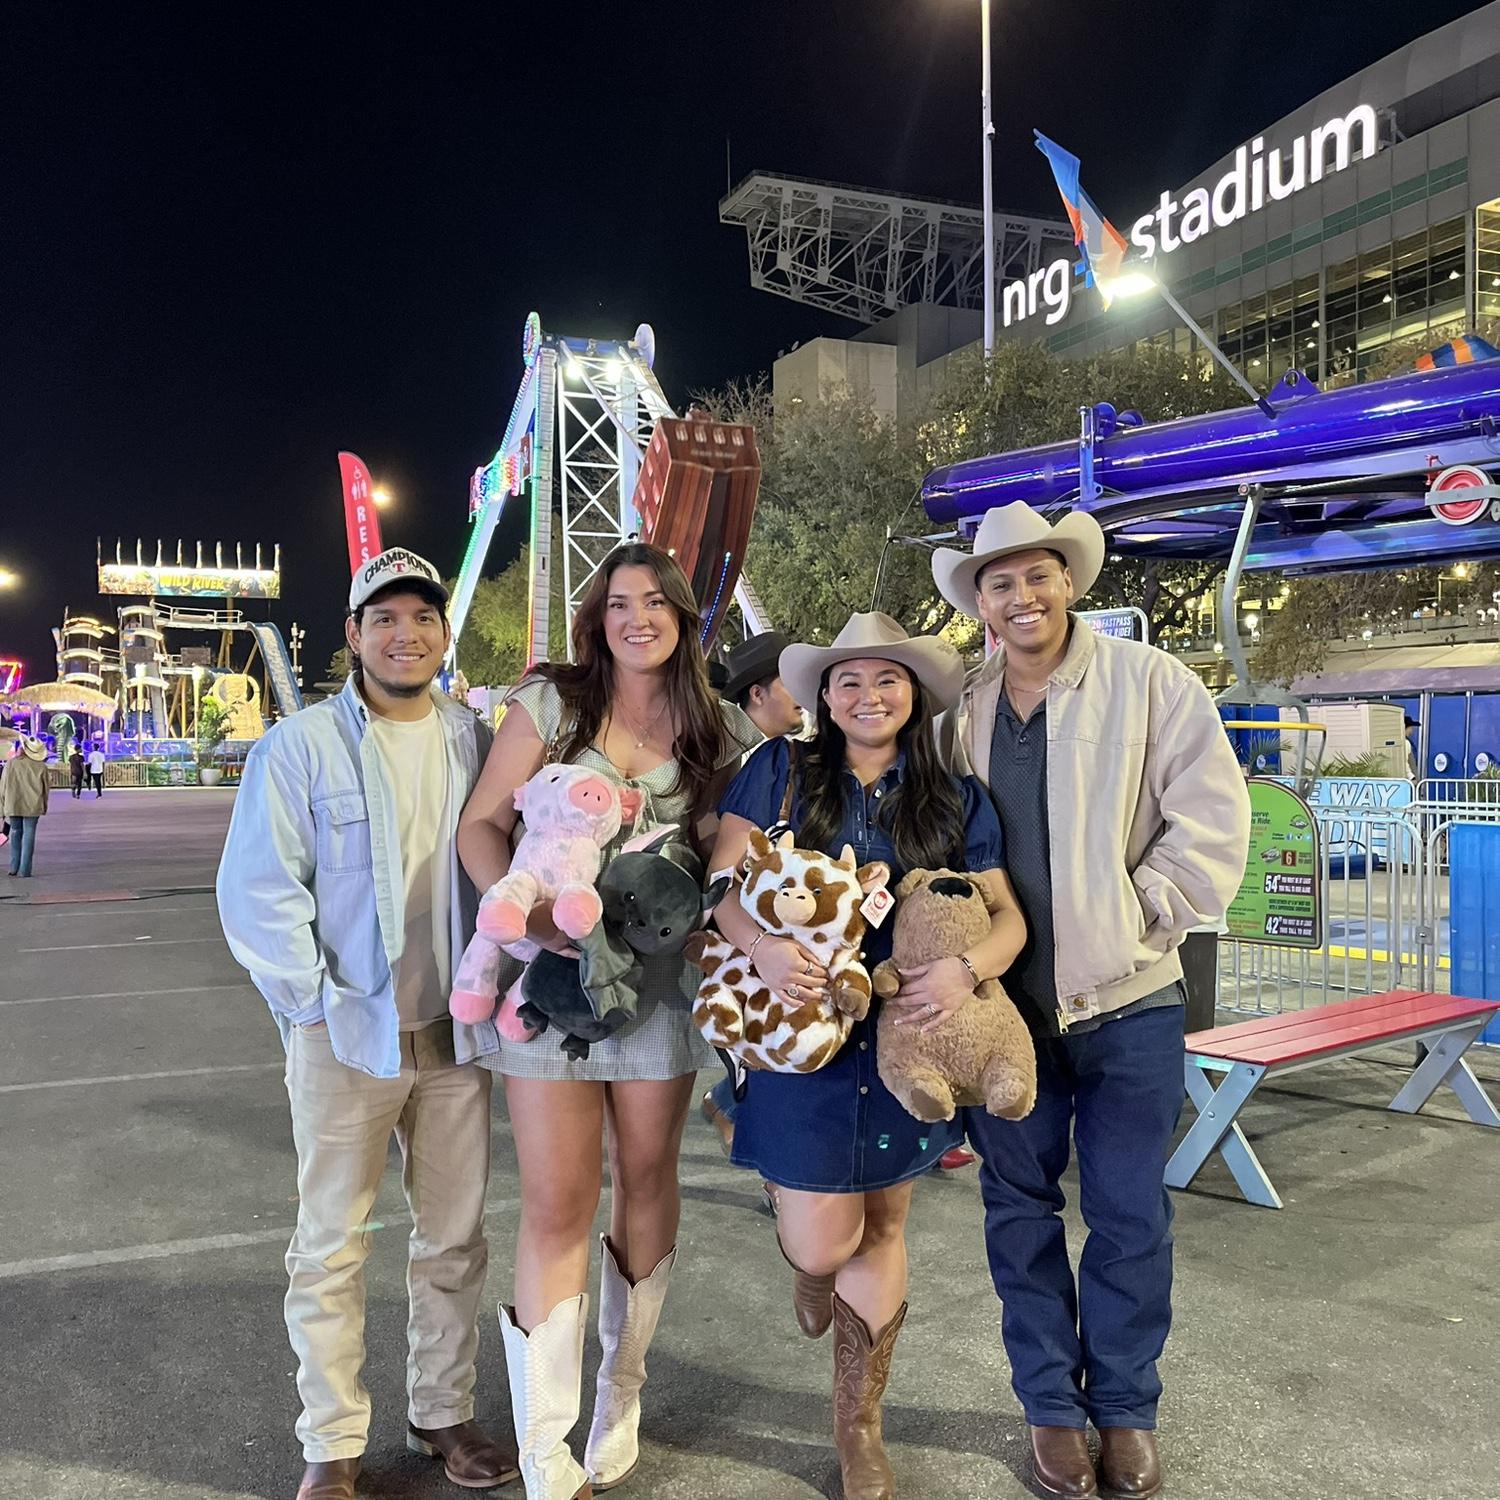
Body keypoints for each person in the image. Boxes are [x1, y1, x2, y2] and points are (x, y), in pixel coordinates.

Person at [932, 504, 1250, 1500]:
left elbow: (1211, 814)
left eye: (1038, 576)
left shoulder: (1152, 683)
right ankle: (1050, 1409)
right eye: (999, 582)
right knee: (1017, 1212)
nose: (1021, 596)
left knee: (1128, 1215)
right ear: (977, 601)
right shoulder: (958, 716)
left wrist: (1144, 913)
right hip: (1002, 1019)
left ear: (1069, 581)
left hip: (1132, 1002)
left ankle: (1125, 1407)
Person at [457, 541, 760, 1500]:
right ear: (598, 619)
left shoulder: (714, 726)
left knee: (647, 1178)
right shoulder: (551, 703)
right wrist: (533, 917)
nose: (638, 617)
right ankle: (545, 1446)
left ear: (681, 616)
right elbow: (481, 825)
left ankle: (620, 1390)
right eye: (619, 602)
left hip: (658, 995)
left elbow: (726, 855)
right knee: (555, 1200)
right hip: (551, 988)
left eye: (656, 602)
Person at [706, 612, 1026, 1500]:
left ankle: (859, 1426)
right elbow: (723, 884)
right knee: (824, 1242)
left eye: (886, 680)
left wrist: (967, 971)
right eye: (848, 681)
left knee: (883, 1226)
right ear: (824, 697)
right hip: (797, 1030)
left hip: (906, 1044)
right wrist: (759, 947)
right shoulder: (778, 769)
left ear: (913, 695)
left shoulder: (955, 796)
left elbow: (1007, 919)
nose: (868, 695)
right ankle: (803, 1256)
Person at [217, 548, 515, 1500]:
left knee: (455, 1239)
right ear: (353, 635)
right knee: (331, 1246)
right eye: (384, 618)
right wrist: (311, 1009)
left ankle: (442, 1412)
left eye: (423, 617)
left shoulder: (478, 741)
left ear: (443, 632)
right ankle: (333, 1444)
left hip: (458, 1038)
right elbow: (259, 891)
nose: (406, 633)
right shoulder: (299, 747)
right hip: (346, 1036)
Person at [698, 629, 797, 1157]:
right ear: (757, 693)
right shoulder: (732, 746)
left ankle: (729, 1105)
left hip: (764, 920)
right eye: (792, 681)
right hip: (734, 924)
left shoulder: (779, 750)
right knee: (755, 1041)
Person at [3, 737, 50, 878]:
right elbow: (45, 789)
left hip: (13, 803)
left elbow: (2, 786)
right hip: (33, 805)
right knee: (29, 834)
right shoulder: (41, 766)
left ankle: (13, 867)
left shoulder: (11, 764)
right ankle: (25, 870)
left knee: (15, 833)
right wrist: (44, 806)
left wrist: (2, 806)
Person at [1404, 712, 1421, 780]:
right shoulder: (1405, 742)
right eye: (1411, 727)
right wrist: (1412, 777)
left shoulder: (1406, 741)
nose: (1412, 730)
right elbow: (1405, 762)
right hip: (1410, 779)